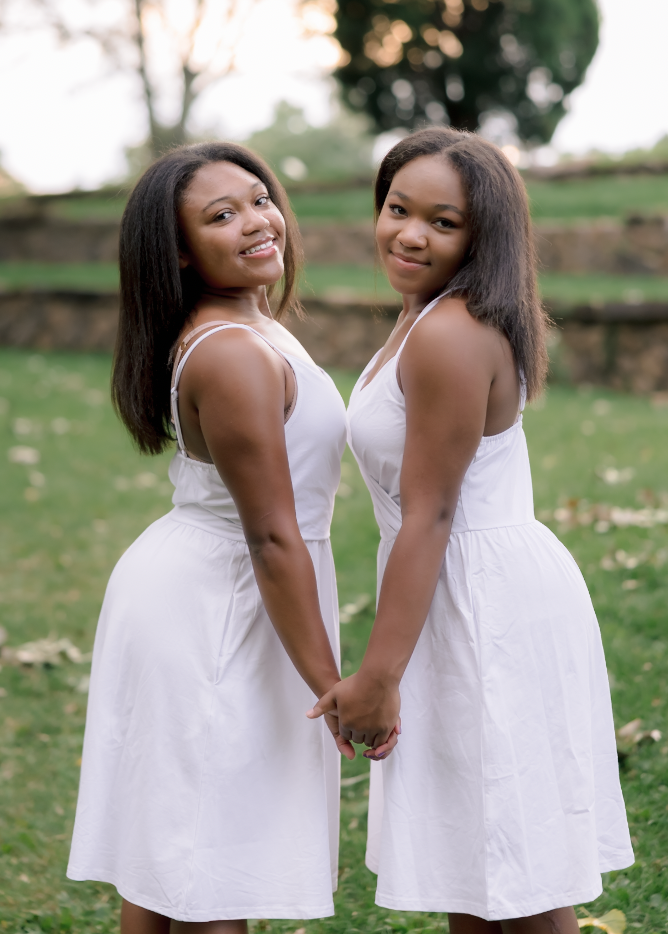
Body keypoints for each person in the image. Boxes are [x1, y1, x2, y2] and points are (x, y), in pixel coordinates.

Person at [309, 128, 634, 933]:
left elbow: (432, 513)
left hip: (481, 602)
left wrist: (379, 678)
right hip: (459, 587)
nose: (409, 233)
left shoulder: (452, 334)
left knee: (510, 866)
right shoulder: (427, 317)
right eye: (396, 208)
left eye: (442, 222)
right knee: (477, 866)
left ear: (482, 235)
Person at [68, 142, 354, 934]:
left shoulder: (250, 323)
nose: (259, 222)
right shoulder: (230, 353)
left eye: (260, 198)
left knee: (183, 859)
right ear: (183, 255)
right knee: (206, 872)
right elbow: (271, 534)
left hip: (232, 592)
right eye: (221, 216)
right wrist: (331, 688)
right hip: (219, 606)